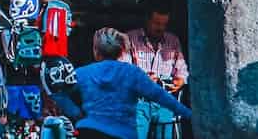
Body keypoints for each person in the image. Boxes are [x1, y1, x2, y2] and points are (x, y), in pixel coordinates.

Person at [50, 28, 189, 139]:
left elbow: (59, 93)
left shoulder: (83, 73)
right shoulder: (132, 73)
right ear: (121, 52)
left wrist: (76, 114)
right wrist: (189, 114)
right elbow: (160, 96)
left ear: (96, 51)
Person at [124, 6, 188, 139]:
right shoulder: (129, 39)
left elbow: (182, 69)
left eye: (164, 24)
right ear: (147, 20)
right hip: (138, 103)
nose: (160, 28)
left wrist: (180, 80)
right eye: (156, 23)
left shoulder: (173, 41)